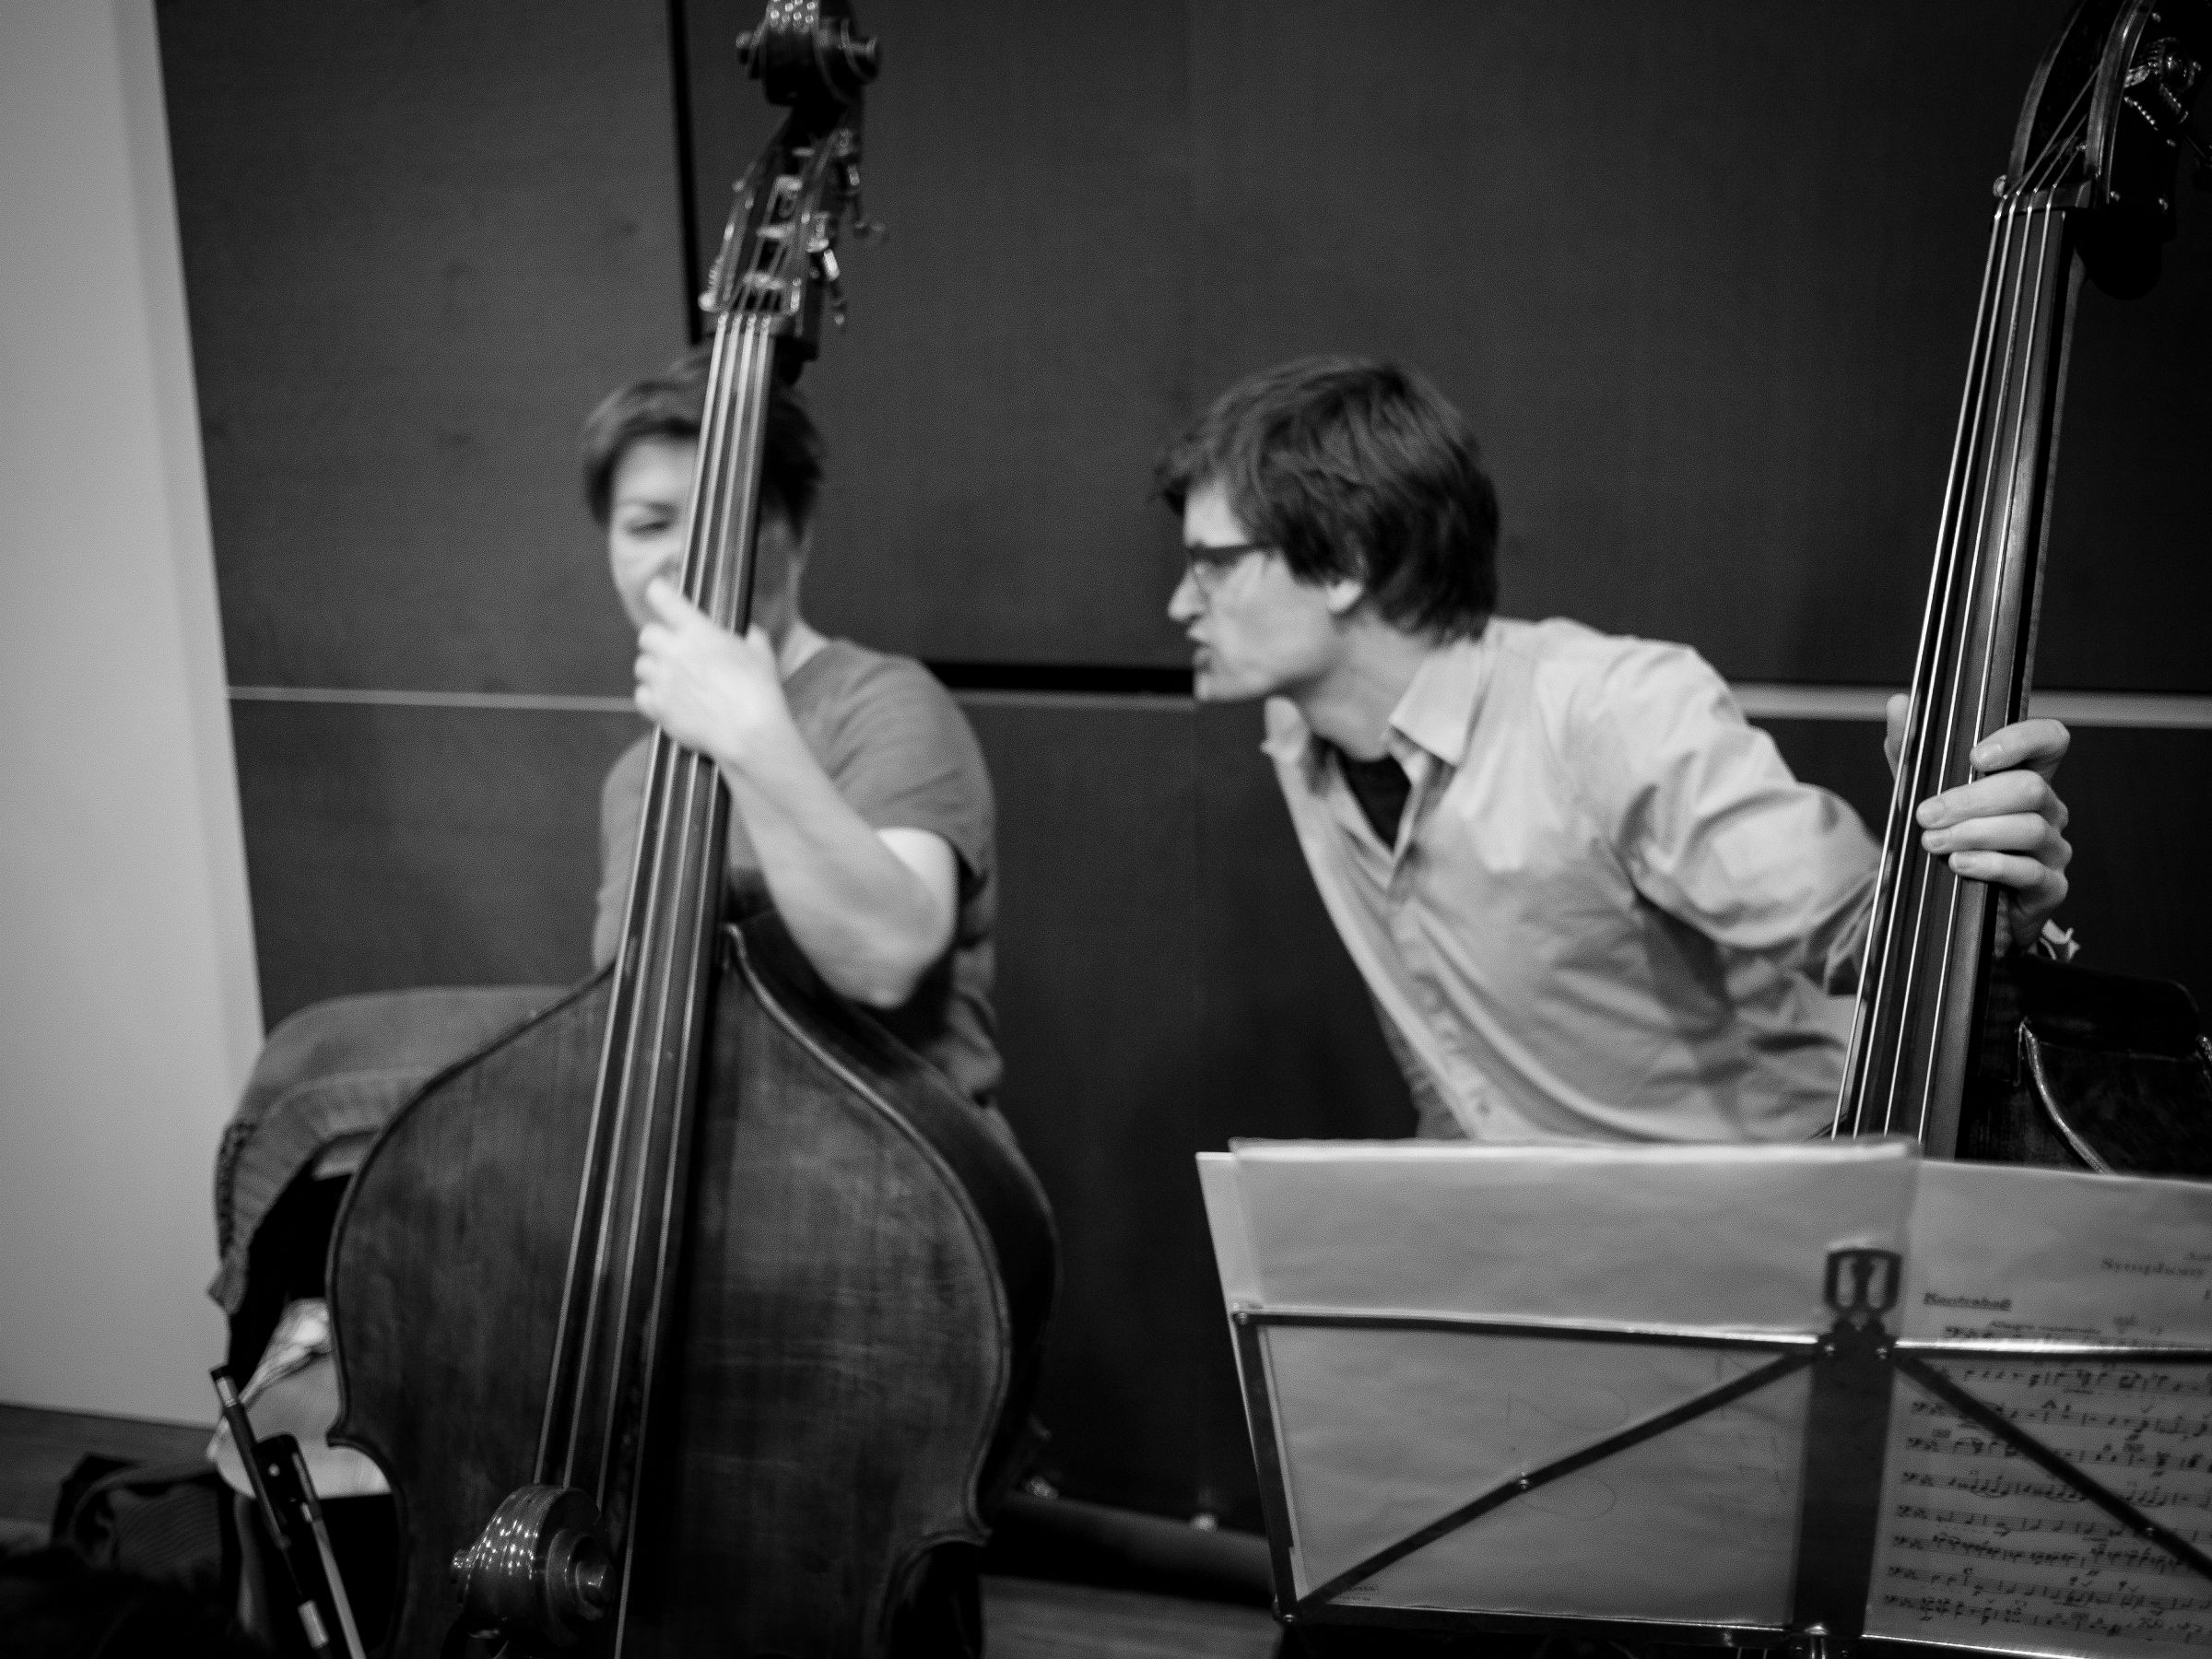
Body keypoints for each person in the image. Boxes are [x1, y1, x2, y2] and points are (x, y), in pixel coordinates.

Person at [1158, 356, 2073, 1145]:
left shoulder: (1608, 711)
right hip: (1551, 1233)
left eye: (1214, 565)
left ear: (1347, 562)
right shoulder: (1303, 732)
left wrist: (1987, 886)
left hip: (1774, 1212)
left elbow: (1870, 940)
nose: (1181, 605)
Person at [581, 345, 1002, 1109]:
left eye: (727, 521)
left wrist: (748, 735)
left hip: (897, 1168)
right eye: (648, 525)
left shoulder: (885, 703)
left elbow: (885, 957)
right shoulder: (635, 779)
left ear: (799, 533)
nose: (685, 557)